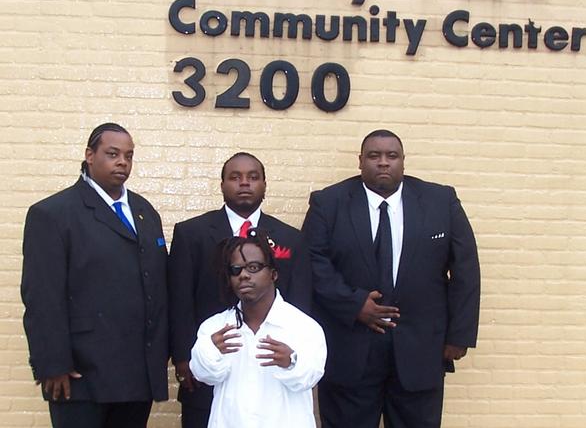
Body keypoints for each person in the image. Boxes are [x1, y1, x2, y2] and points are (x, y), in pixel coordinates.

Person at [302, 129, 480, 428]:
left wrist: (458, 336)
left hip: (420, 349)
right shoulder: (329, 202)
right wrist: (354, 304)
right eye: (374, 155)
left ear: (403, 161)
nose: (383, 162)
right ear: (360, 161)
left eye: (391, 155)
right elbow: (312, 262)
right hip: (349, 348)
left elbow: (465, 269)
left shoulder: (440, 201)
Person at [20, 123, 169, 428]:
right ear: (90, 155)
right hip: (80, 374)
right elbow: (42, 296)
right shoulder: (53, 213)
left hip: (136, 372)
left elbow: (156, 284)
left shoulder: (144, 211)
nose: (122, 162)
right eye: (112, 154)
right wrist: (53, 363)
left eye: (129, 156)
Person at [168, 152, 312, 427]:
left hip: (271, 366)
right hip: (211, 359)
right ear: (222, 185)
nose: (244, 183)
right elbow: (179, 299)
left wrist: (296, 354)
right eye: (235, 177)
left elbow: (300, 301)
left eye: (253, 177)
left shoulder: (291, 238)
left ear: (265, 185)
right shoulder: (191, 233)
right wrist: (184, 357)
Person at [189, 229, 326, 428]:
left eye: (253, 267)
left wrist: (291, 362)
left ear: (273, 274)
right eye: (236, 269)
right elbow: (203, 375)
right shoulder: (215, 327)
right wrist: (210, 350)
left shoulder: (303, 327)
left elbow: (310, 377)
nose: (243, 275)